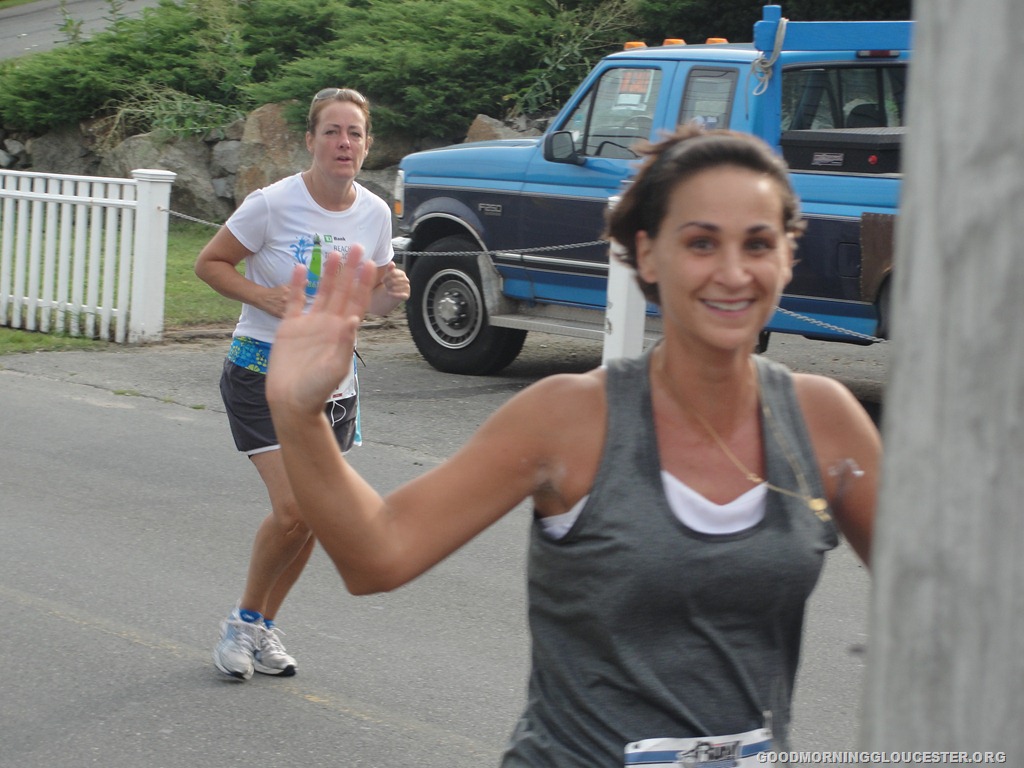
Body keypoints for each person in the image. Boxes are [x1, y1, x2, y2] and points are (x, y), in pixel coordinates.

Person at [262, 126, 881, 764]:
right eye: (701, 242)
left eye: (758, 243)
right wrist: (298, 415)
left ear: (787, 255)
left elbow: (936, 602)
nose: (732, 272)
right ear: (647, 254)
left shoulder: (824, 422)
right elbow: (379, 554)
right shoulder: (570, 418)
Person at [194, 86, 409, 681]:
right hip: (262, 369)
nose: (344, 143)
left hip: (332, 382)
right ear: (310, 140)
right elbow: (210, 263)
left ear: (367, 145)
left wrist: (390, 295)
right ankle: (242, 622)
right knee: (294, 507)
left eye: (354, 133)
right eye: (332, 131)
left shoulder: (374, 213)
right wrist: (263, 296)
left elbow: (367, 301)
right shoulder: (271, 204)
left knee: (314, 515)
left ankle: (262, 626)